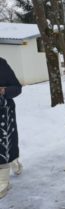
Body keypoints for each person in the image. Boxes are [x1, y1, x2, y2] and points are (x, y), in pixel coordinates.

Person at [0, 57, 23, 199]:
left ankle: (3, 181)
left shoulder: (1, 64)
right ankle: (14, 162)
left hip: (3, 113)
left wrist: (3, 91)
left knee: (4, 145)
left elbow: (17, 88)